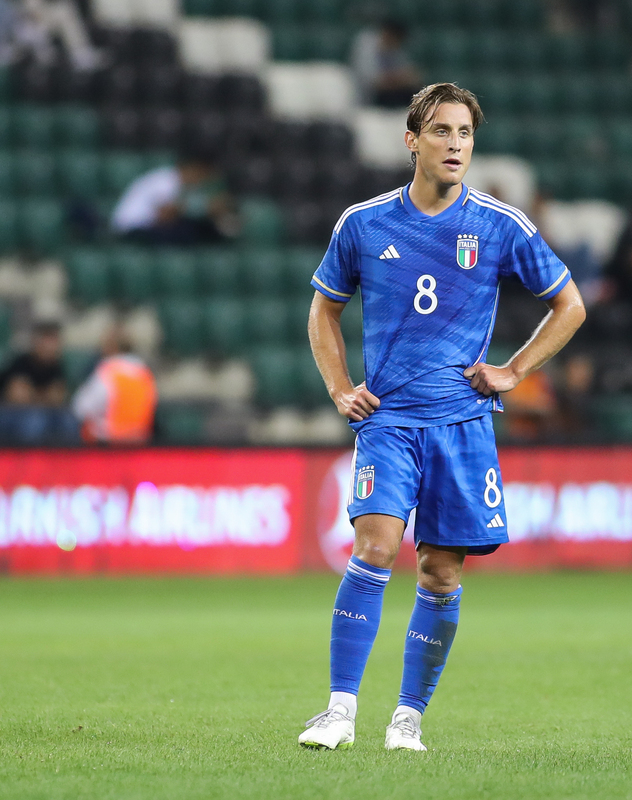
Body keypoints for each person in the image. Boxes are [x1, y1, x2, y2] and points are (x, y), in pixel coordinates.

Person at [300, 83, 586, 752]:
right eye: (441, 131)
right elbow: (323, 310)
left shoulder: (499, 224)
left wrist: (514, 370)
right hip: (390, 421)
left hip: (462, 425)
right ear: (412, 141)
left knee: (441, 573)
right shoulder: (364, 223)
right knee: (374, 547)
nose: (455, 143)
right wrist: (342, 388)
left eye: (464, 132)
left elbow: (569, 305)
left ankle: (408, 718)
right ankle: (340, 710)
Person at [110, 150, 234, 244]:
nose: (201, 181)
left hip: (149, 230)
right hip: (132, 230)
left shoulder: (184, 187)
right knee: (187, 231)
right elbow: (163, 216)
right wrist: (205, 208)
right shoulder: (166, 180)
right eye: (202, 175)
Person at [71, 325, 157, 445]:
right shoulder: (144, 373)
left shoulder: (108, 371)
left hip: (110, 444)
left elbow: (81, 408)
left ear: (112, 347)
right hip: (139, 442)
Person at [350, 18, 422, 108]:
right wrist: (396, 79)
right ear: (387, 34)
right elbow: (370, 81)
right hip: (364, 100)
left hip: (388, 96)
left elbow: (410, 76)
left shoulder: (396, 50)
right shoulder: (366, 46)